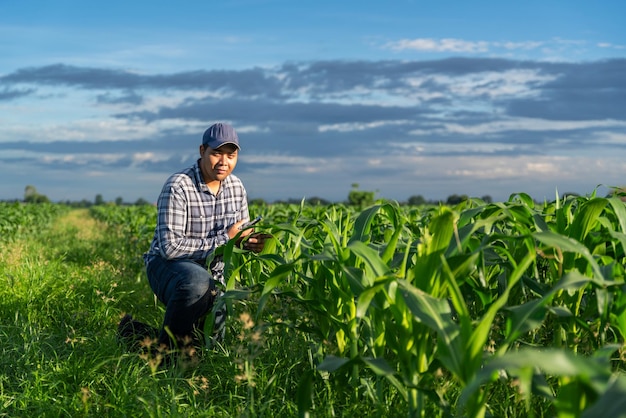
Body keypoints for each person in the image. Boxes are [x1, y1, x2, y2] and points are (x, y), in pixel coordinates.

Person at [141, 122, 267, 352]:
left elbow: (237, 238)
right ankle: (167, 360)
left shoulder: (237, 187)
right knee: (198, 282)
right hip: (170, 267)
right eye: (216, 153)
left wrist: (250, 243)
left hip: (214, 272)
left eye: (231, 155)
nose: (224, 162)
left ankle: (138, 335)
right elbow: (170, 248)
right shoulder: (179, 185)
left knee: (207, 347)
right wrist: (226, 239)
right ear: (202, 151)